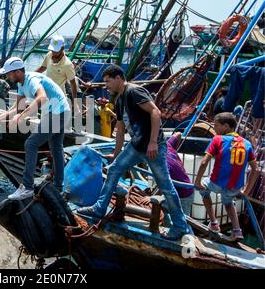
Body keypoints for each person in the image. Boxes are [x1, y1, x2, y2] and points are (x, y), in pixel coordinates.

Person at [77, 65, 192, 241]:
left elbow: (155, 112)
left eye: (108, 81)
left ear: (118, 78)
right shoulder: (120, 99)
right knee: (114, 169)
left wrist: (153, 142)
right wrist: (116, 154)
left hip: (153, 147)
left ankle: (180, 226)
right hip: (136, 146)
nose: (105, 85)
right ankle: (99, 208)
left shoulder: (133, 91)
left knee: (166, 186)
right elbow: (121, 129)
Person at [0, 57, 71, 200]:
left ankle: (27, 187)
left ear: (18, 71)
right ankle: (58, 187)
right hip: (59, 111)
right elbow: (16, 108)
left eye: (8, 73)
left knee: (31, 143)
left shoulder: (31, 79)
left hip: (58, 112)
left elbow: (42, 98)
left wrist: (20, 117)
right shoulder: (21, 84)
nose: (7, 77)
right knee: (56, 147)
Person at [195, 112, 259, 241]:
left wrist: (197, 181)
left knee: (203, 188)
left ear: (226, 126)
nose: (214, 128)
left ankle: (213, 223)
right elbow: (255, 169)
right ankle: (237, 231)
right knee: (228, 202)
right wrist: (246, 191)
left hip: (216, 183)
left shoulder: (218, 139)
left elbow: (203, 162)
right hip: (235, 187)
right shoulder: (246, 143)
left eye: (216, 125)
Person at [36, 35, 79, 112]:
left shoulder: (67, 65)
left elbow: (73, 83)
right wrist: (30, 75)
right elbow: (43, 67)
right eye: (52, 50)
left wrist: (75, 103)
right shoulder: (49, 55)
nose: (54, 53)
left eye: (56, 51)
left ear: (62, 48)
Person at [166, 133, 195, 216]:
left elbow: (164, 183)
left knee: (184, 222)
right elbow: (178, 134)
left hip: (183, 195)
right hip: (187, 190)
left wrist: (150, 198)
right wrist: (174, 149)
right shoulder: (168, 145)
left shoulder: (162, 164)